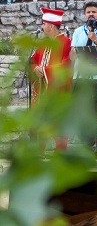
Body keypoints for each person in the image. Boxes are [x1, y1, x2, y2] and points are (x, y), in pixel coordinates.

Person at [69, 1, 97, 151]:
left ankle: (92, 143)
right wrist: (72, 52)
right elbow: (72, 56)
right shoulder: (78, 31)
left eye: (94, 12)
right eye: (88, 12)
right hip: (79, 75)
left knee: (93, 110)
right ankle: (83, 142)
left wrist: (96, 40)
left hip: (96, 77)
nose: (91, 14)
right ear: (84, 15)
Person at [30, 8, 73, 151]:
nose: (41, 27)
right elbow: (33, 60)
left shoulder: (66, 42)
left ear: (51, 26)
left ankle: (60, 156)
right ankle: (38, 153)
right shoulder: (43, 42)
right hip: (41, 91)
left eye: (43, 24)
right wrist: (35, 68)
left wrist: (45, 71)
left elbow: (66, 65)